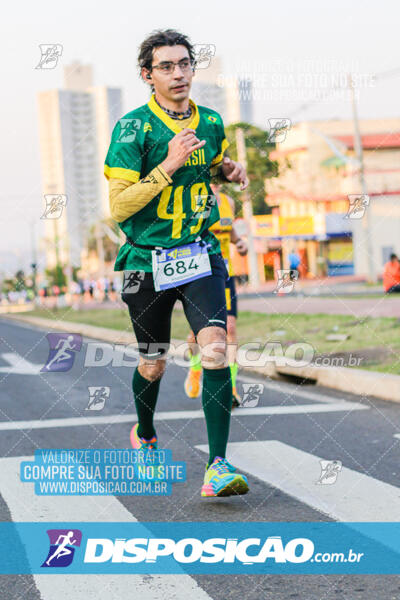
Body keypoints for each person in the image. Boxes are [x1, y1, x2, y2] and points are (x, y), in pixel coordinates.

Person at [104, 29, 250, 497]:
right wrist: (166, 166)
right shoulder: (132, 129)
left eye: (185, 63)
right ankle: (145, 434)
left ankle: (218, 466)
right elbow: (121, 207)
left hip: (198, 253)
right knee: (154, 364)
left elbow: (210, 166)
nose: (179, 73)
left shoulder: (209, 121)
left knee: (214, 347)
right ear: (148, 75)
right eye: (166, 66)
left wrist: (226, 170)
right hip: (145, 262)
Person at [184, 183, 248, 408]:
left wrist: (239, 242)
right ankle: (194, 367)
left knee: (229, 329)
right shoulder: (191, 197)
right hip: (200, 271)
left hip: (224, 271)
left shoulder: (227, 201)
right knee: (196, 335)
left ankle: (230, 389)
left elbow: (229, 231)